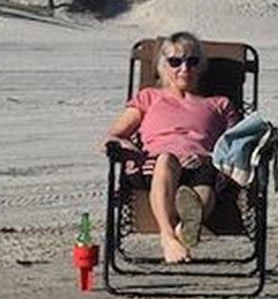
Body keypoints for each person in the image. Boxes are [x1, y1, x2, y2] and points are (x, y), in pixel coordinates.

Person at [100, 32, 241, 263]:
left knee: (203, 190)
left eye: (192, 61)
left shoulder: (219, 104)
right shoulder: (149, 98)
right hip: (155, 165)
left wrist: (209, 158)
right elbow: (113, 136)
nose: (184, 68)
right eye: (175, 61)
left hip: (203, 164)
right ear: (162, 66)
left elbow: (237, 143)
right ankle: (167, 235)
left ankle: (181, 232)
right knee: (167, 160)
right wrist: (127, 148)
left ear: (201, 66)